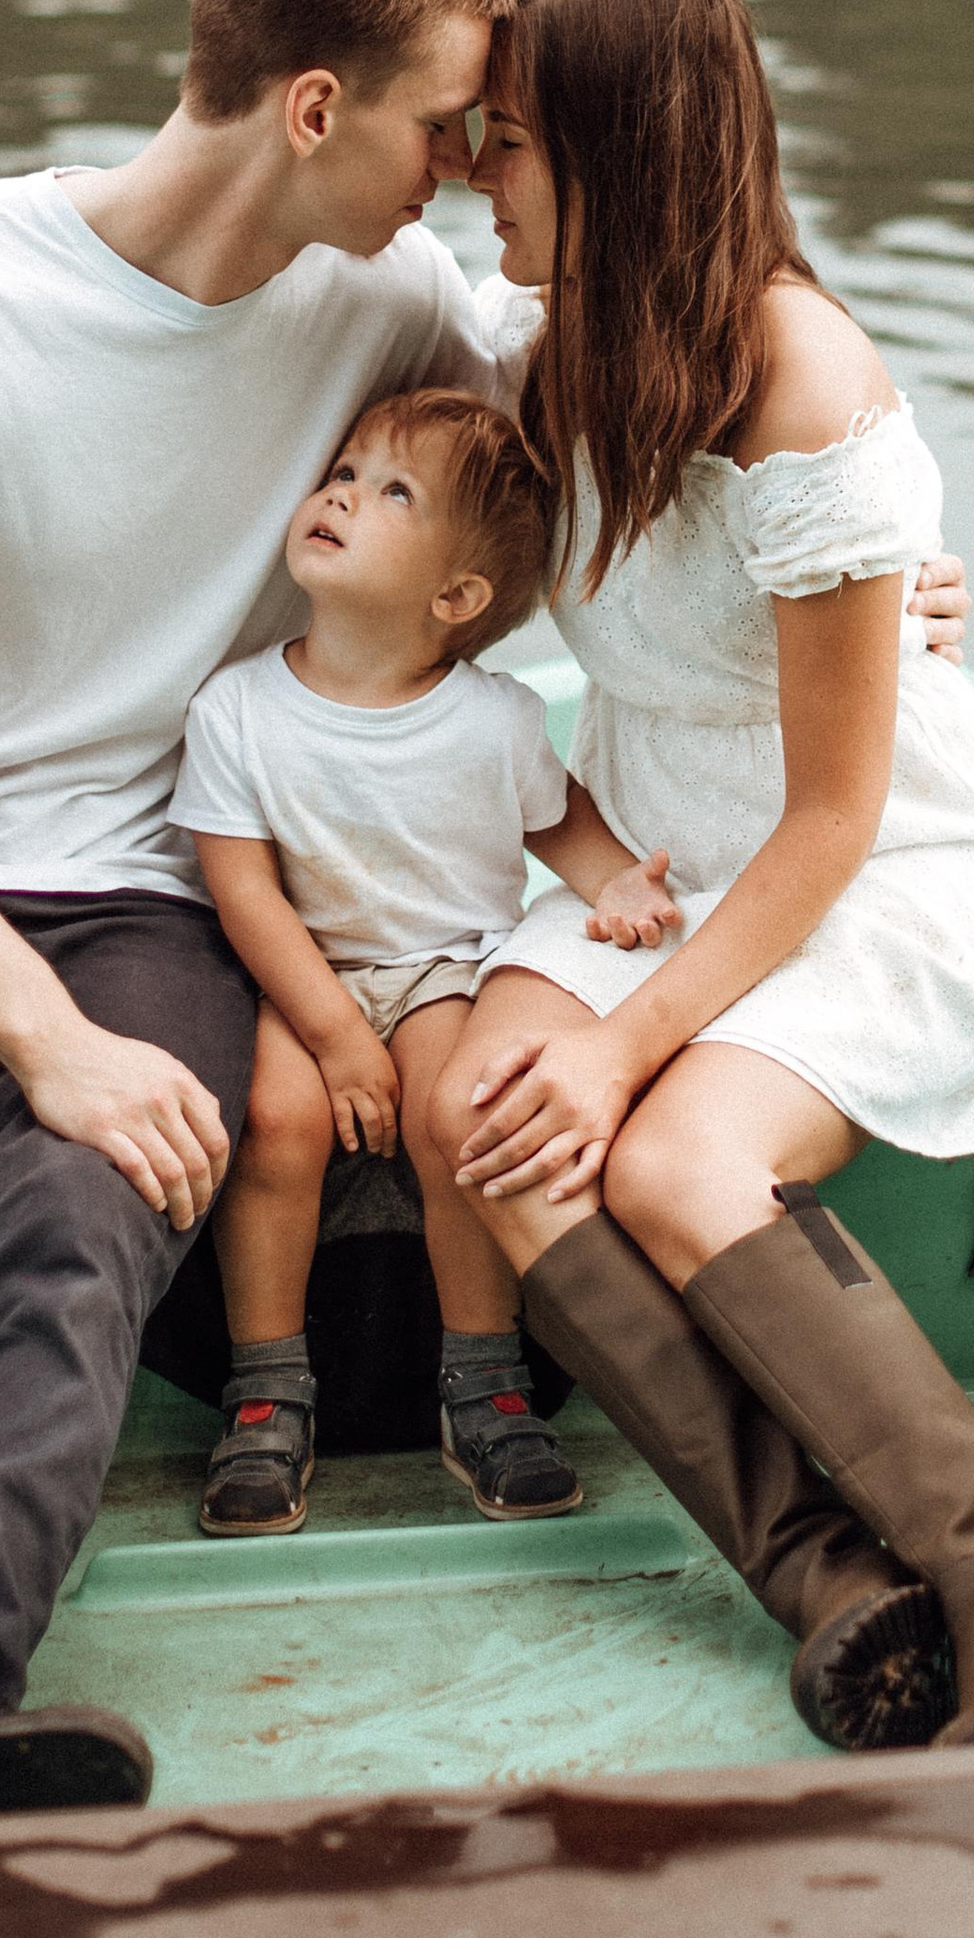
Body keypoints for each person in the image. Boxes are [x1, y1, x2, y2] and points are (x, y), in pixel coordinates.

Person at [0, 0, 970, 1833]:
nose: (470, 175)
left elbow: (706, 407)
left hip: (153, 886)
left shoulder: (400, 299)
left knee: (83, 1198)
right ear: (315, 110)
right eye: (441, 127)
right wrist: (34, 1040)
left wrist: (894, 556)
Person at [433, 0, 974, 1753]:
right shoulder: (545, 339)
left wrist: (636, 1043)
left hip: (875, 868)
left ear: (622, 160)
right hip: (661, 841)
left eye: (509, 145)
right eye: (470, 138)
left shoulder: (801, 381)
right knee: (481, 1104)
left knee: (676, 1160)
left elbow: (836, 813)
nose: (480, 177)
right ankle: (831, 1584)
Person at [173, 387, 682, 1538]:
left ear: (455, 598)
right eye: (345, 469)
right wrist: (337, 1034)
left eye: (391, 491)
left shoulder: (489, 720)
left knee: (462, 1120)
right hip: (300, 972)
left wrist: (617, 885)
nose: (342, 493)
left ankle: (483, 1379)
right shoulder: (237, 711)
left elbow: (559, 825)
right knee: (277, 1120)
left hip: (446, 966)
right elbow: (243, 893)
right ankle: (265, 1388)